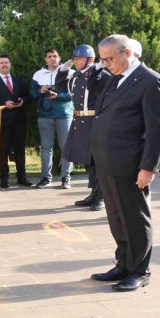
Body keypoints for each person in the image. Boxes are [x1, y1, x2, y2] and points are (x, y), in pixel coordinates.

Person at [89, 34, 160, 292]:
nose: (105, 64)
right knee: (116, 217)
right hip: (108, 162)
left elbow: (158, 129)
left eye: (109, 59)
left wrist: (148, 167)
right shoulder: (115, 78)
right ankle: (124, 264)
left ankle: (140, 271)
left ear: (127, 53)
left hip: (131, 164)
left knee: (135, 218)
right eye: (102, 59)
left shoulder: (151, 81)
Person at [56, 44, 110, 211]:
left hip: (95, 121)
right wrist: (63, 70)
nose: (76, 61)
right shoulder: (76, 76)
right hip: (79, 121)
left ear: (90, 60)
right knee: (88, 161)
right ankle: (94, 193)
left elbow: (100, 88)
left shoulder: (101, 75)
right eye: (75, 58)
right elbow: (60, 87)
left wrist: (98, 68)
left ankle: (102, 196)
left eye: (79, 58)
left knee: (98, 161)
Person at [0, 55, 33, 188]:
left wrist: (23, 101)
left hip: (19, 120)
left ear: (10, 65)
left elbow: (28, 96)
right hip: (2, 121)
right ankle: (4, 177)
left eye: (6, 62)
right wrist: (3, 103)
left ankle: (21, 177)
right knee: (3, 150)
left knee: (20, 149)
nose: (4, 65)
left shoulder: (19, 80)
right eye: (1, 63)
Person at [31, 48, 74, 189]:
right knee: (46, 147)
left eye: (55, 56)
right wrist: (40, 90)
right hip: (45, 115)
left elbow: (73, 94)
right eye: (49, 56)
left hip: (64, 114)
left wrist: (58, 96)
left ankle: (66, 177)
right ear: (45, 59)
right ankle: (45, 178)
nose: (52, 58)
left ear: (59, 58)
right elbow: (32, 94)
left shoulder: (69, 72)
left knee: (66, 146)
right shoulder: (38, 74)